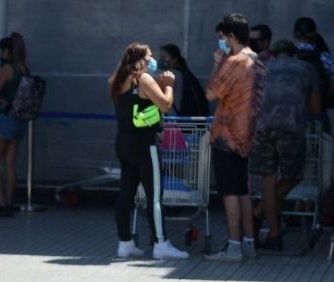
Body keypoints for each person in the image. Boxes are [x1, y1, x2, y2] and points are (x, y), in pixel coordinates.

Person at [107, 43, 189, 260]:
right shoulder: (142, 78)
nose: (154, 61)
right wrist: (169, 84)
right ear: (141, 60)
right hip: (146, 145)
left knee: (126, 193)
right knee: (155, 196)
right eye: (150, 57)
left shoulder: (118, 81)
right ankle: (161, 243)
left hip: (124, 144)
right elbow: (165, 105)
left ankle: (125, 242)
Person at [205, 13, 265, 263]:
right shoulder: (258, 62)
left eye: (223, 38)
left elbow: (211, 93)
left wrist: (218, 63)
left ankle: (233, 246)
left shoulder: (235, 61)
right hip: (247, 134)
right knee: (242, 190)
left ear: (231, 36)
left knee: (229, 191)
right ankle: (248, 242)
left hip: (227, 134)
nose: (223, 43)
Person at [250, 40, 321, 251]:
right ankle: (258, 214)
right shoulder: (307, 68)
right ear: (294, 55)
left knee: (267, 178)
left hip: (261, 127)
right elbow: (316, 108)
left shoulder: (261, 66)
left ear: (274, 54)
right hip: (292, 127)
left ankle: (272, 231)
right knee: (294, 176)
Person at [0, 33, 34, 217]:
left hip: (4, 120)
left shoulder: (7, 69)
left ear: (6, 51)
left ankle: (0, 202)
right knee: (10, 163)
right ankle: (9, 200)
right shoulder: (24, 68)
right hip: (19, 121)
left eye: (1, 51)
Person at [293, 17, 334, 131]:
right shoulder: (324, 56)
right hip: (317, 115)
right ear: (314, 34)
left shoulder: (289, 56)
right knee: (320, 146)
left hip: (291, 116)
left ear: (295, 34)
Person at [158, 44, 208, 118]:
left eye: (165, 57)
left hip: (175, 119)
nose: (161, 60)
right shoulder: (185, 72)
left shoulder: (173, 74)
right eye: (160, 57)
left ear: (174, 59)